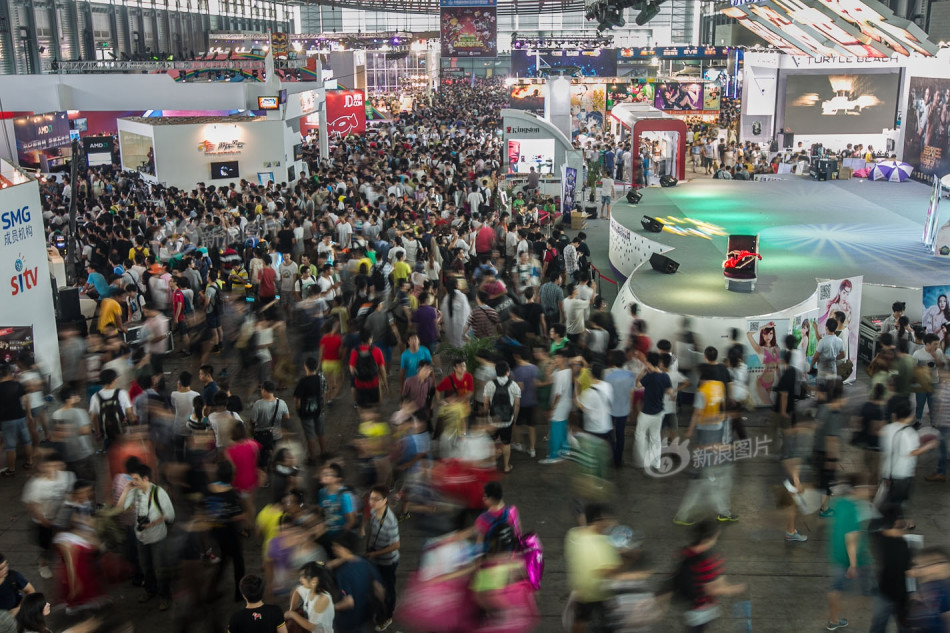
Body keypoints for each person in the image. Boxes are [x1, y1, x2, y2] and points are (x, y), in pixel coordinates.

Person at [665, 518, 746, 633]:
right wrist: (732, 589)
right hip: (701, 609)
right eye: (716, 537)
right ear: (708, 539)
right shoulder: (708, 560)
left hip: (688, 604)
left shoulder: (684, 551)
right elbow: (712, 590)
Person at [116, 463, 175, 611]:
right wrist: (126, 490)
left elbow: (170, 515)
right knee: (146, 567)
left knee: (160, 568)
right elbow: (119, 509)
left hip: (157, 538)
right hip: (141, 537)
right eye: (132, 479)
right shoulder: (134, 492)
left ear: (146, 478)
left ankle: (165, 596)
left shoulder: (158, 492)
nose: (133, 482)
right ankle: (150, 591)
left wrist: (152, 523)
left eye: (136, 479)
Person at [826, 474, 875, 631]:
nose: (870, 491)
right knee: (843, 589)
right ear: (856, 490)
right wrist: (853, 565)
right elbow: (851, 539)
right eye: (866, 488)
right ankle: (834, 619)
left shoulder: (840, 503)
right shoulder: (853, 510)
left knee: (835, 588)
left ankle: (833, 619)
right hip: (849, 559)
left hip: (837, 554)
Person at [21, 454, 75, 580]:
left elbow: (72, 495)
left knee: (65, 545)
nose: (52, 469)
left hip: (63, 520)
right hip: (43, 522)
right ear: (42, 467)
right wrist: (44, 521)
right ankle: (43, 563)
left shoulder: (68, 477)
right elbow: (32, 504)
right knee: (47, 547)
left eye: (56, 465)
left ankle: (68, 569)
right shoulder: (36, 484)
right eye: (49, 466)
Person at [327, 543, 385, 633]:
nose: (335, 551)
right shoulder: (366, 563)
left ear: (345, 549)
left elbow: (349, 602)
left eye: (337, 548)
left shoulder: (343, 572)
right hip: (364, 617)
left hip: (347, 621)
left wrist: (330, 608)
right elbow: (380, 591)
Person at [365, 486, 400, 629]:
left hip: (387, 562)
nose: (371, 502)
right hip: (375, 557)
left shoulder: (390, 521)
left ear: (385, 500)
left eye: (376, 499)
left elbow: (396, 545)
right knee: (376, 587)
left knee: (388, 590)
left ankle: (387, 617)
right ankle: (377, 610)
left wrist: (375, 554)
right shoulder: (374, 512)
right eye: (370, 498)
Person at [635, 352, 673, 472]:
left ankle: (643, 461)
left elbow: (637, 385)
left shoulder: (649, 377)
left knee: (640, 435)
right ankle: (656, 463)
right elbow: (670, 392)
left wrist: (643, 371)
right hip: (659, 412)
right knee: (655, 438)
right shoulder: (665, 376)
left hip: (646, 412)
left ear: (649, 363)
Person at [483, 361, 521, 474]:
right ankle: (506, 466)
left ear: (496, 372)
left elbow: (486, 403)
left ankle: (491, 465)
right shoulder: (514, 385)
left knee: (491, 442)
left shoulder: (489, 384)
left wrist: (486, 416)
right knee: (506, 443)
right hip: (507, 420)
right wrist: (515, 417)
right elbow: (517, 404)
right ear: (507, 372)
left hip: (493, 420)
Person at [249, 382, 290, 474]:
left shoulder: (258, 404)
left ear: (264, 390)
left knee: (262, 458)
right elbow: (287, 416)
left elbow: (253, 421)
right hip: (277, 434)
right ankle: (275, 472)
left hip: (261, 436)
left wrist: (252, 429)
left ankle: (264, 475)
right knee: (275, 455)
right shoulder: (281, 403)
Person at [0, 363, 33, 477]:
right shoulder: (17, 385)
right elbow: (26, 399)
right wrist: (29, 415)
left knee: (10, 447)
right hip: (21, 417)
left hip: (7, 420)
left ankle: (11, 469)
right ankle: (29, 462)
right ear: (10, 373)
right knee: (27, 441)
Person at [541, 350, 573, 464]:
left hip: (559, 406)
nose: (555, 360)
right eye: (554, 358)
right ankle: (565, 450)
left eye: (557, 358)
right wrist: (552, 366)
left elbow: (558, 394)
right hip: (566, 404)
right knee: (563, 427)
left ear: (564, 359)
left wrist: (552, 408)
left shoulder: (560, 374)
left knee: (555, 430)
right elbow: (549, 378)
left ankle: (554, 455)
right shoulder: (567, 371)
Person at [293, 358, 327, 464]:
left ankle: (312, 457)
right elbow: (324, 393)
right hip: (319, 410)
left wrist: (298, 410)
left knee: (310, 435)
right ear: (316, 367)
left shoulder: (303, 381)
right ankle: (323, 452)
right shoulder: (321, 378)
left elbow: (297, 399)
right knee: (320, 432)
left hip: (306, 412)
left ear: (305, 367)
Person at [286, 562, 337, 633]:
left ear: (314, 580)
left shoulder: (323, 598)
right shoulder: (310, 590)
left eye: (304, 577)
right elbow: (296, 590)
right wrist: (292, 609)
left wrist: (292, 614)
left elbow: (311, 626)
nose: (300, 579)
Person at [510, 348, 541, 460]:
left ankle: (518, 444)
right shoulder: (535, 368)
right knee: (531, 426)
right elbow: (536, 384)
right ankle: (532, 449)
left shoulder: (517, 370)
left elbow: (520, 388)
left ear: (518, 356)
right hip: (532, 401)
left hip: (521, 402)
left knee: (515, 424)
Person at [349, 330, 387, 409]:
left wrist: (358, 375)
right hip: (373, 383)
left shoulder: (355, 351)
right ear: (370, 339)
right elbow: (382, 369)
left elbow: (351, 368)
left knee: (362, 407)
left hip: (360, 384)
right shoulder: (377, 350)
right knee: (374, 406)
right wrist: (385, 383)